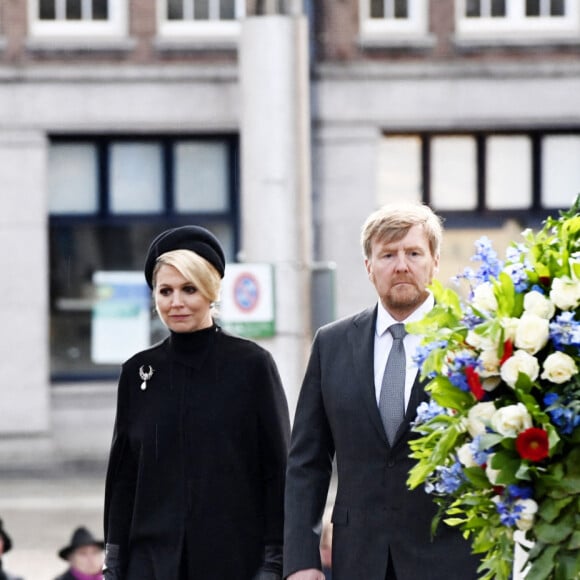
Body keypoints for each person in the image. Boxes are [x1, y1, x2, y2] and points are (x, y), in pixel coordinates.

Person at [283, 202, 480, 580]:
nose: (401, 265)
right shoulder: (332, 344)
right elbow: (307, 463)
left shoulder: (471, 340)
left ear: (435, 262)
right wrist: (301, 560)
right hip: (360, 559)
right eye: (387, 254)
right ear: (369, 266)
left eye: (413, 253)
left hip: (453, 558)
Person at [103, 225, 291, 580]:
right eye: (166, 291)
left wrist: (274, 562)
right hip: (150, 565)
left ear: (211, 291)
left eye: (189, 289)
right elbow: (123, 480)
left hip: (234, 561)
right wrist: (113, 563)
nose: (176, 302)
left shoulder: (252, 366)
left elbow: (278, 470)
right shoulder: (138, 373)